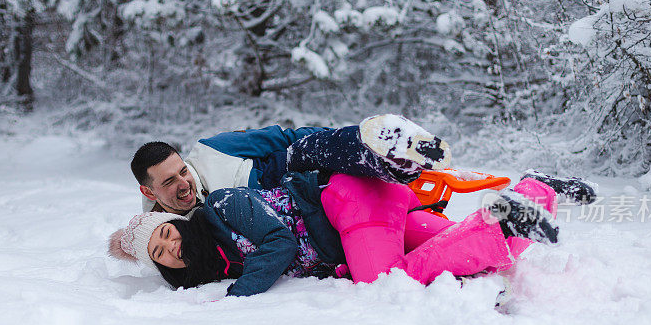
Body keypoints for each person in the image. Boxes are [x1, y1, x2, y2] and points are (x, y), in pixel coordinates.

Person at [108, 170, 597, 296]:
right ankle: (536, 194)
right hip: (365, 220)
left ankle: (505, 219)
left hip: (349, 204)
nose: (170, 247)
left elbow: (278, 244)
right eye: (159, 253)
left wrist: (240, 295)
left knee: (384, 279)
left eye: (165, 234)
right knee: (462, 249)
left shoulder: (222, 205)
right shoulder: (216, 259)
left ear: (175, 223)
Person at [131, 114, 451, 215]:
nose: (183, 183)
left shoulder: (210, 152)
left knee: (311, 150)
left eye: (182, 171)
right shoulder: (159, 229)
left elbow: (282, 137)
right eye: (169, 182)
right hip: (287, 211)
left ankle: (395, 152)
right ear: (149, 191)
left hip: (278, 171)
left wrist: (340, 139)